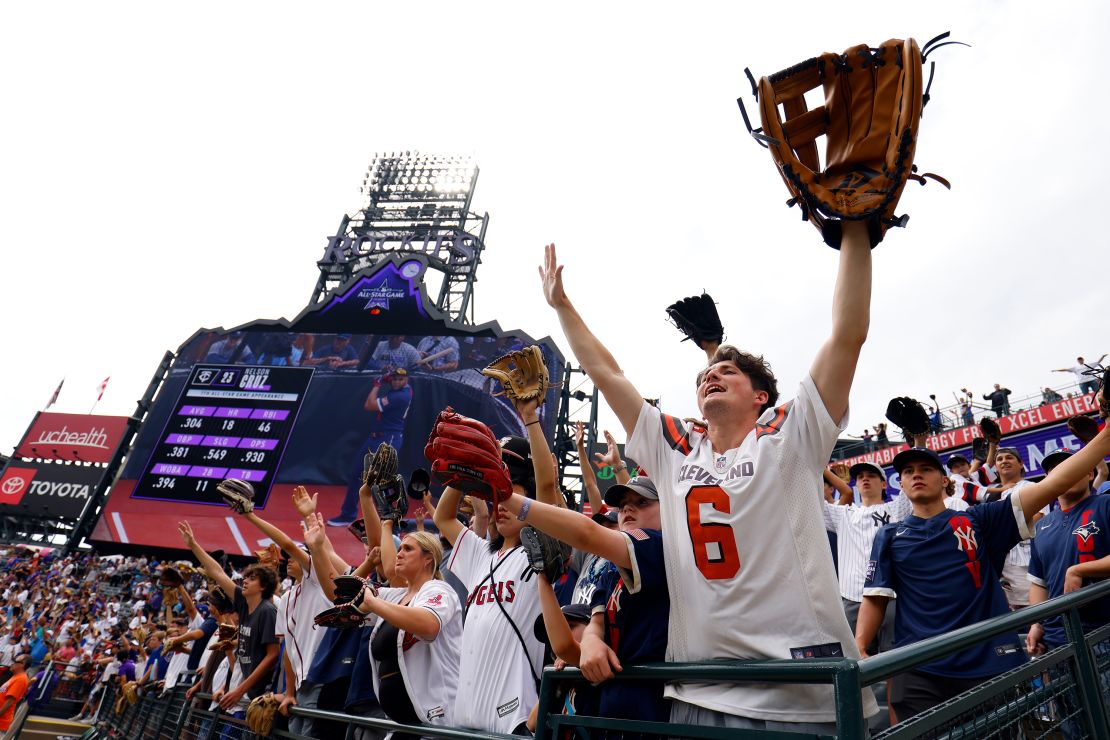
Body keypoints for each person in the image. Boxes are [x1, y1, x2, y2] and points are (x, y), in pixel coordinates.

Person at [538, 227, 879, 732]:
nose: (710, 376)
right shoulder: (675, 449)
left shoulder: (792, 434)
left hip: (801, 688)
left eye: (728, 372)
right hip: (701, 687)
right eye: (703, 377)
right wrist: (563, 308)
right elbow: (608, 374)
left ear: (762, 397)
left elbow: (847, 336)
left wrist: (855, 230)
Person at [857, 426, 1110, 722]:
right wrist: (861, 646)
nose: (916, 475)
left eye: (926, 468)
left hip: (987, 662)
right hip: (920, 667)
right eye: (909, 471)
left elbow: (1052, 486)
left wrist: (1105, 436)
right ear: (900, 483)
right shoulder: (888, 535)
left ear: (945, 481)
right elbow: (876, 597)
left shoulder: (980, 520)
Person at [432, 438, 546, 734]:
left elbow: (548, 495)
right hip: (466, 714)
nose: (502, 507)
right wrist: (463, 472)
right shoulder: (481, 554)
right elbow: (442, 517)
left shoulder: (540, 554)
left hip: (512, 716)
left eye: (512, 498)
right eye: (498, 500)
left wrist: (532, 421)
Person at [345, 520, 463, 733]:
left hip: (437, 722)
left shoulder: (439, 590)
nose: (399, 553)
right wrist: (317, 546)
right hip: (400, 724)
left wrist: (373, 602)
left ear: (429, 559)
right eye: (399, 549)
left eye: (407, 549)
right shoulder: (395, 595)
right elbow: (344, 597)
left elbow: (428, 625)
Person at [177, 522, 280, 712]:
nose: (245, 581)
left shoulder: (267, 611)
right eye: (246, 577)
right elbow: (217, 572)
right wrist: (193, 545)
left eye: (252, 579)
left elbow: (273, 655)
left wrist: (240, 690)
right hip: (236, 696)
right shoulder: (243, 602)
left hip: (250, 699)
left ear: (263, 587)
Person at [1027, 448, 1110, 654]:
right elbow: (1039, 583)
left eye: (1071, 466)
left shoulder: (1106, 504)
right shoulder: (1041, 526)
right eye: (1056, 469)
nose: (1065, 472)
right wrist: (1037, 623)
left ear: (1090, 473)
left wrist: (1079, 570)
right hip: (1056, 640)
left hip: (1103, 632)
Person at [329, 368, 414, 527]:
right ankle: (347, 514)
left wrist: (377, 384)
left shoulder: (400, 396)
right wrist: (387, 377)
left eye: (401, 379)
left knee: (381, 481)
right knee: (356, 474)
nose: (397, 382)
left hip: (389, 439)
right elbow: (395, 381)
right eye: (394, 379)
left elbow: (369, 405)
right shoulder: (406, 390)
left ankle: (390, 520)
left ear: (407, 380)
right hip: (375, 438)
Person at [0, 654, 30, 733]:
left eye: (15, 661)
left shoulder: (21, 679)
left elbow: (9, 702)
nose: (11, 663)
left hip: (2, 722)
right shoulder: (16, 677)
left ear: (23, 664)